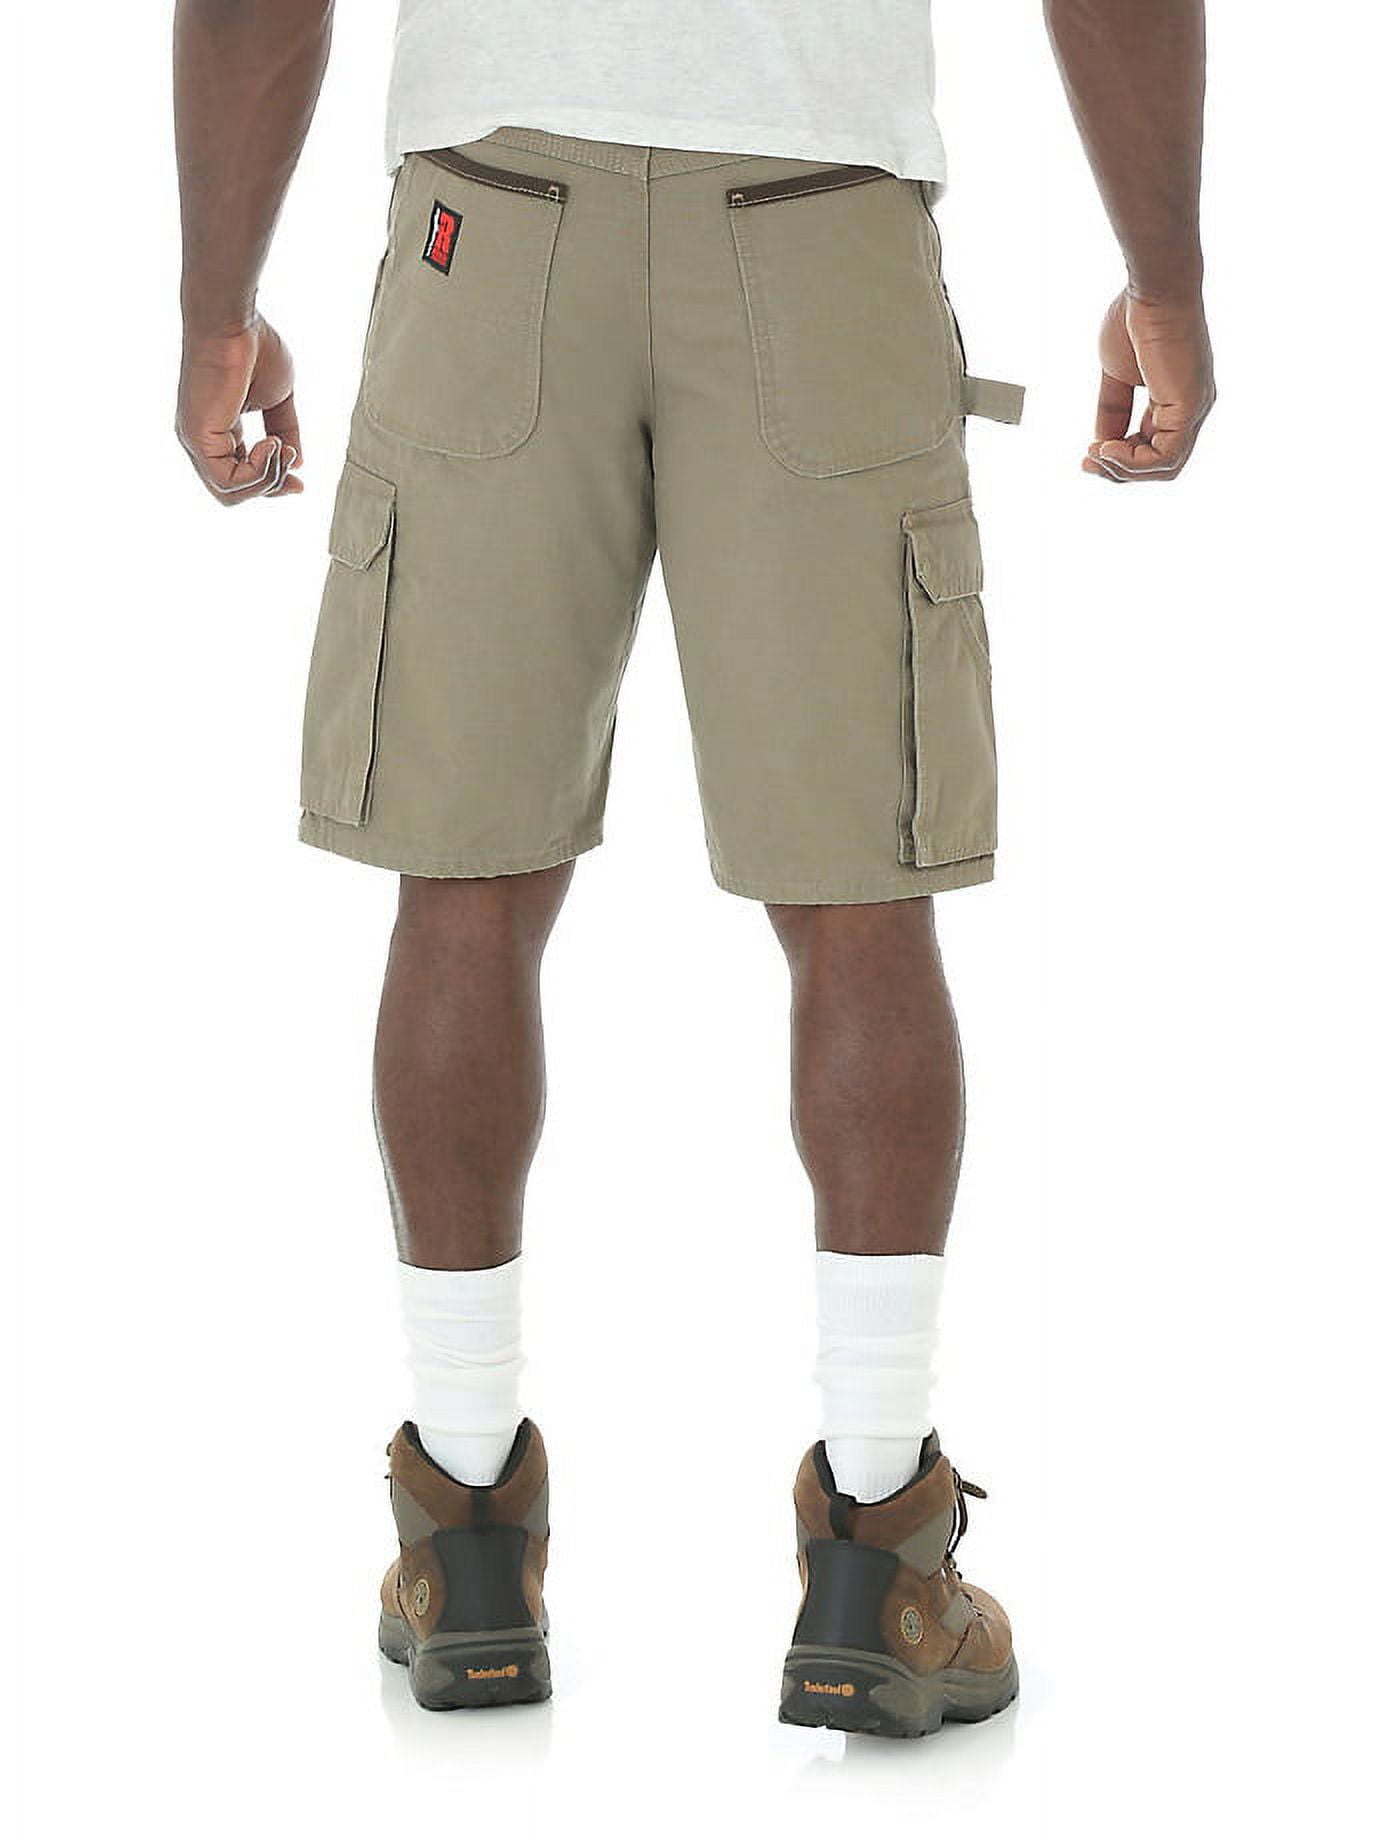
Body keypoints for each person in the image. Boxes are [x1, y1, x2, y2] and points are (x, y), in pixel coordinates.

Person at [174, 0, 1213, 1735]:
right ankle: (882, 1558)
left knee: (466, 883)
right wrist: (1164, 276)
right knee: (861, 900)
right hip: (820, 221)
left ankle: (463, 1530)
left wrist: (217, 306)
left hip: (493, 219)